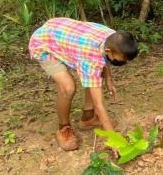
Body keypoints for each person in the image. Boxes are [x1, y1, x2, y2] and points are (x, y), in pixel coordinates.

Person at [29, 17, 138, 150]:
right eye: (122, 59)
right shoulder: (91, 59)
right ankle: (63, 129)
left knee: (94, 77)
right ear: (109, 51)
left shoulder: (113, 37)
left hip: (62, 36)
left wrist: (109, 79)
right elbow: (99, 103)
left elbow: (104, 60)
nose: (124, 63)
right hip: (44, 44)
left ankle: (88, 119)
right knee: (68, 88)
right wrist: (113, 139)